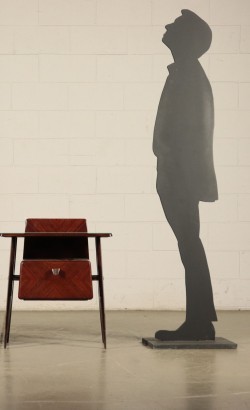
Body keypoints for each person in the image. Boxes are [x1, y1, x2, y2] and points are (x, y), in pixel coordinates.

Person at [153, 9, 218, 341]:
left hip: (181, 177)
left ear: (189, 40)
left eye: (175, 26)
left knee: (190, 244)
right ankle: (200, 320)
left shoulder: (190, 76)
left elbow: (194, 134)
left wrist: (176, 172)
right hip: (175, 175)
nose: (167, 26)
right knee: (189, 244)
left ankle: (200, 323)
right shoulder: (184, 74)